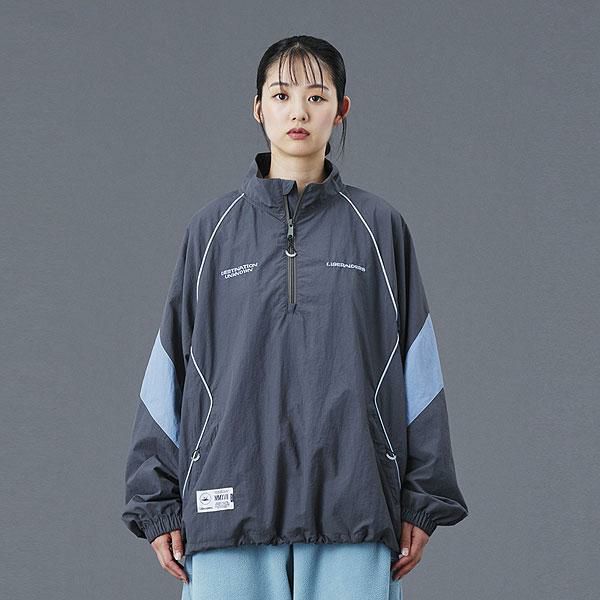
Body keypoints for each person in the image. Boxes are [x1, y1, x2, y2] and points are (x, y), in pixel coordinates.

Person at [121, 35, 468, 600]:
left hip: (354, 505)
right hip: (228, 503)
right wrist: (155, 502)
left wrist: (422, 500)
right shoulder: (211, 232)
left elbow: (419, 369)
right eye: (282, 95)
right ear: (258, 108)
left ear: (341, 108)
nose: (299, 112)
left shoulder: (379, 228)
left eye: (316, 96)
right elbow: (170, 370)